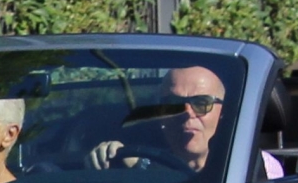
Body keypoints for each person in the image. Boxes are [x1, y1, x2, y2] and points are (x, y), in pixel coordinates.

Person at [87, 65, 228, 175]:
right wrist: (106, 158)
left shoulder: (240, 172)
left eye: (202, 103)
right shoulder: (130, 163)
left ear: (223, 112)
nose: (186, 112)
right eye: (173, 103)